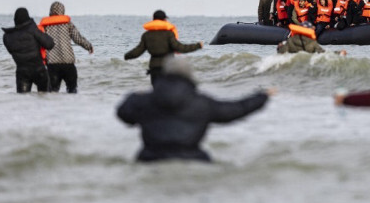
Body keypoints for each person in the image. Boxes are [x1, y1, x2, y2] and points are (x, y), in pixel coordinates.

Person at [117, 56, 274, 162]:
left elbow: (123, 113)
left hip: (150, 160)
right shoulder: (202, 103)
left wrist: (134, 96)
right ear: (189, 77)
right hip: (192, 160)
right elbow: (235, 110)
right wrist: (262, 96)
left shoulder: (144, 101)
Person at [124, 10, 203, 85]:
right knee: (168, 93)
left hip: (154, 68)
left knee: (157, 93)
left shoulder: (146, 35)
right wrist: (197, 46)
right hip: (168, 67)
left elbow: (138, 51)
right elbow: (180, 48)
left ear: (153, 20)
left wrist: (127, 56)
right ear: (164, 20)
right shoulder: (169, 34)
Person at [38, 1, 94, 93]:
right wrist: (89, 46)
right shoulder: (68, 24)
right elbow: (77, 39)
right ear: (62, 11)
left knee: (52, 93)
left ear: (50, 11)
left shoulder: (45, 26)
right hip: (68, 64)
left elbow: (39, 43)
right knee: (72, 91)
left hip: (52, 65)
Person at [2, 7, 55, 93]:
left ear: (15, 20)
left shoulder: (7, 37)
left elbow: (11, 51)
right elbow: (49, 44)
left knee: (23, 101)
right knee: (45, 99)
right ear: (27, 18)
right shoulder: (32, 30)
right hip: (39, 71)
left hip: (22, 72)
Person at [277, 21, 346, 55]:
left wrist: (279, 47)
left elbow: (281, 51)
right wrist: (339, 52)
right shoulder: (312, 43)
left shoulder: (291, 40)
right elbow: (324, 53)